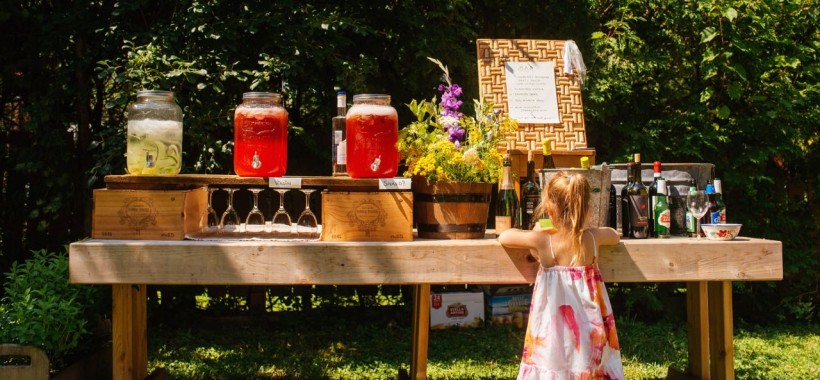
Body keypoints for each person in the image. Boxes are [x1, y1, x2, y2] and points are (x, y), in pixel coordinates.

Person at [499, 171, 624, 379]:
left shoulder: (542, 240)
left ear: (549, 208)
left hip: (552, 332)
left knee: (551, 368)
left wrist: (539, 228)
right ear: (586, 208)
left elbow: (505, 236)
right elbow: (614, 234)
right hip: (588, 335)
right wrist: (590, 228)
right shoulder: (592, 238)